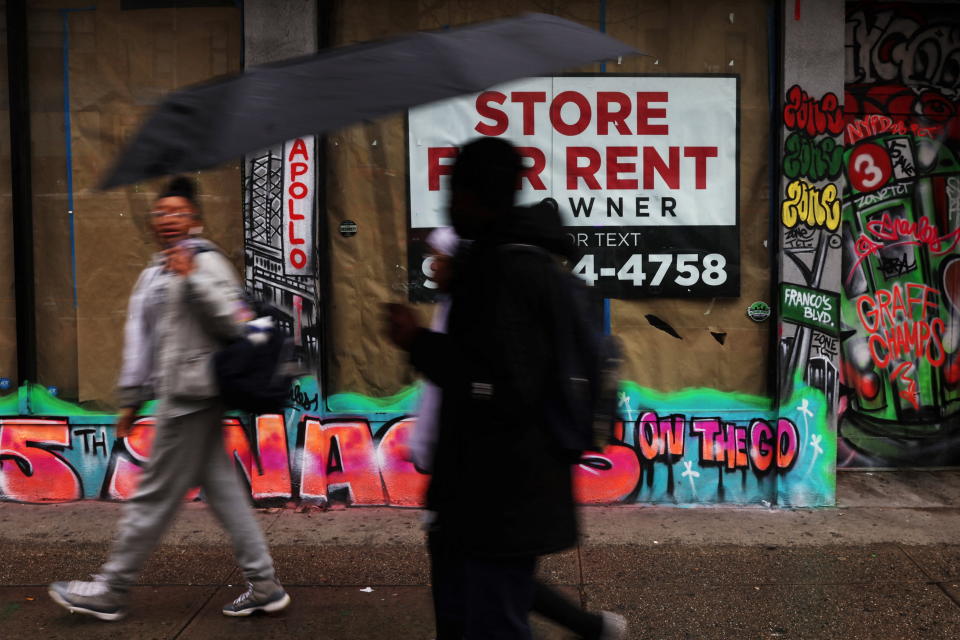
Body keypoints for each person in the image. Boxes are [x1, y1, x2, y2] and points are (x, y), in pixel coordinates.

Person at [387, 138, 627, 640]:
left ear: (477, 197)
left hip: (497, 497)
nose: (449, 206)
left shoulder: (507, 272)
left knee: (491, 624)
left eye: (455, 193)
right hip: (485, 496)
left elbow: (499, 387)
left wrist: (418, 342)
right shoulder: (502, 264)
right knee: (475, 616)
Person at [49, 176, 290, 621]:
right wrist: (132, 399)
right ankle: (265, 586)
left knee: (152, 498)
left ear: (195, 220)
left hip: (193, 398)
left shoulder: (206, 262)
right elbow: (143, 341)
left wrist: (193, 278)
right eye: (161, 213)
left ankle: (111, 590)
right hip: (181, 397)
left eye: (178, 212)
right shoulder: (154, 271)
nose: (167, 220)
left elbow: (233, 321)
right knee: (224, 496)